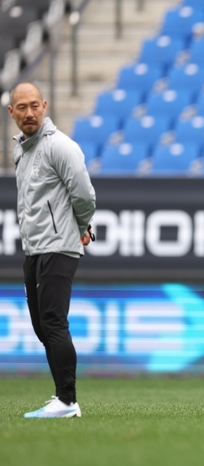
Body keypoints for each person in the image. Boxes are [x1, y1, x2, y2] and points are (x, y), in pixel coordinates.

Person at [8, 82, 96, 418]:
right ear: (11, 112)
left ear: (44, 106)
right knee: (42, 326)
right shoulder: (22, 150)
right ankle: (62, 397)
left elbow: (84, 195)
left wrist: (80, 226)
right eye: (22, 107)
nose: (29, 113)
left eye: (34, 105)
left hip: (58, 246)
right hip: (35, 249)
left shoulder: (60, 146)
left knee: (53, 321)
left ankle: (68, 401)